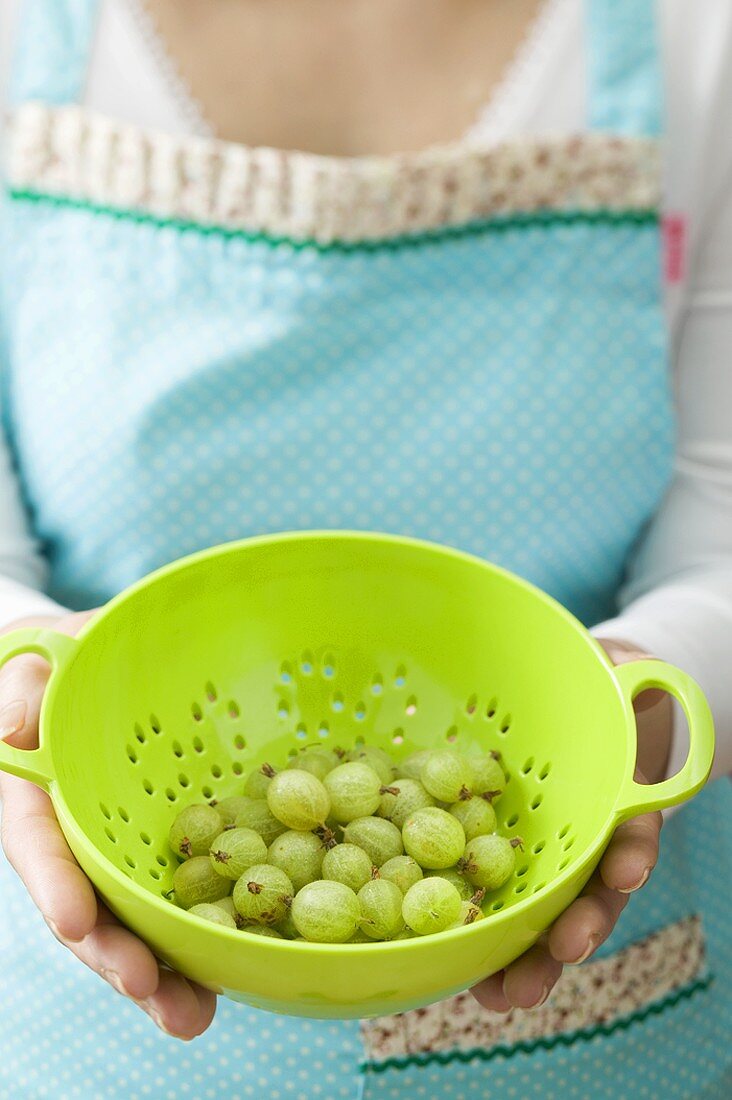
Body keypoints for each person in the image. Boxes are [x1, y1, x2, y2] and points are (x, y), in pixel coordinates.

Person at [0, 1, 730, 1097]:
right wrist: (21, 658)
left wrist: (651, 676)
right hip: (96, 962)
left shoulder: (696, 37)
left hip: (591, 949)